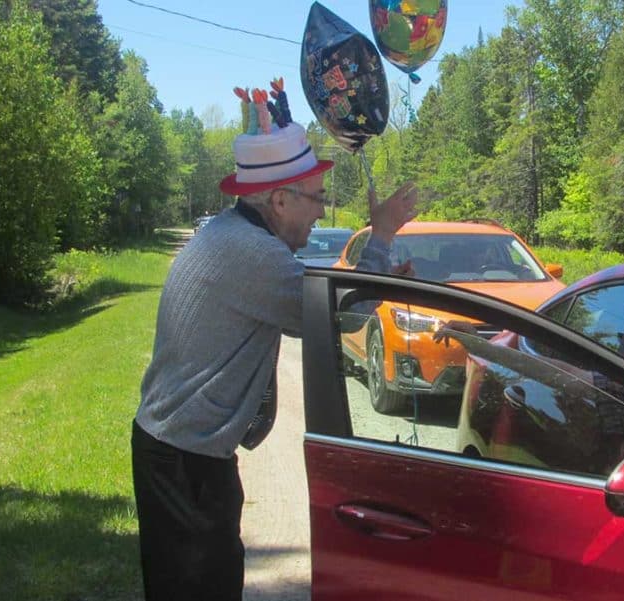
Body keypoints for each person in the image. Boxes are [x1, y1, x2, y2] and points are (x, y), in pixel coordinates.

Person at [130, 81, 418, 601]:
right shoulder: (254, 254)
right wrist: (380, 236)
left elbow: (326, 295)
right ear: (281, 201)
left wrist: (377, 280)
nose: (322, 211)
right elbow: (335, 316)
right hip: (185, 462)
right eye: (318, 199)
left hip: (179, 453)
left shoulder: (231, 235)